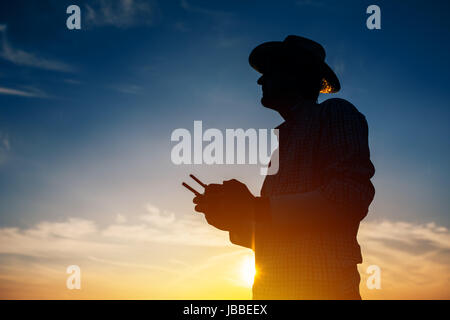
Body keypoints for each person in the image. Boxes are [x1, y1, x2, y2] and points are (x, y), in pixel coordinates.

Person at [192, 35, 375, 300]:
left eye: (270, 71)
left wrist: (253, 207)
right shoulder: (285, 142)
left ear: (295, 73)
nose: (260, 80)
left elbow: (349, 196)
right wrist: (232, 218)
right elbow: (281, 235)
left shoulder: (335, 113)